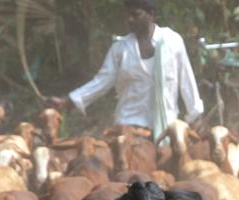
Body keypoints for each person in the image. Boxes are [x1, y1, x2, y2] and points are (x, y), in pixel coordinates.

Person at [44, 0, 203, 143]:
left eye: (135, 15)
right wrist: (67, 101)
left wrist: (195, 114)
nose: (130, 19)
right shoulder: (120, 49)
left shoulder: (172, 42)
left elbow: (186, 78)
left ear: (151, 14)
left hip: (166, 129)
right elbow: (101, 82)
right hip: (129, 128)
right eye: (127, 15)